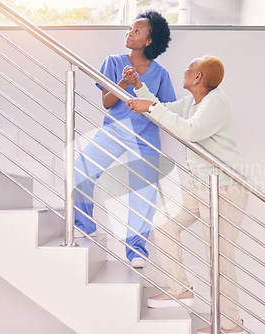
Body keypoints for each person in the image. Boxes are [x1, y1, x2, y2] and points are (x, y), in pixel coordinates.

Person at [125, 55, 248, 334]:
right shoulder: (193, 103)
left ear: (198, 78)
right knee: (164, 224)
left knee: (219, 256)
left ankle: (230, 325)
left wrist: (150, 106)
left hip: (224, 187)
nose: (185, 69)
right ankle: (179, 288)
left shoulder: (215, 102)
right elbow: (166, 111)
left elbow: (189, 131)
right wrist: (139, 86)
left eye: (190, 67)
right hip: (200, 186)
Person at [74, 11, 176, 269]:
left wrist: (140, 85)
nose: (130, 33)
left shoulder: (161, 73)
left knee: (143, 194)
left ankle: (136, 250)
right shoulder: (114, 61)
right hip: (115, 130)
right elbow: (107, 102)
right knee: (80, 171)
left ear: (148, 41)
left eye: (137, 31)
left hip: (146, 138)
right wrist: (123, 82)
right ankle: (83, 226)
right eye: (130, 29)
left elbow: (166, 112)